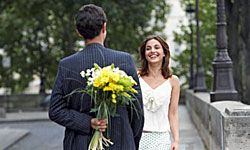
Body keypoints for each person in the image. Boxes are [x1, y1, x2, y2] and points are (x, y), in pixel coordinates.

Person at [49, 4, 144, 150]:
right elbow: (137, 113)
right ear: (104, 27)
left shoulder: (66, 65)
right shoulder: (124, 60)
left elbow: (55, 111)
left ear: (78, 32)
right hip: (121, 143)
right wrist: (131, 142)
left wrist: (88, 122)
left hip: (79, 144)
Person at [138, 35, 180, 150]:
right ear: (144, 54)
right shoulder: (136, 78)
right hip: (139, 137)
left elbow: (173, 113)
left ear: (164, 53)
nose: (152, 51)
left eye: (157, 47)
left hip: (162, 138)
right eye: (148, 48)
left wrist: (176, 140)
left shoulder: (173, 81)